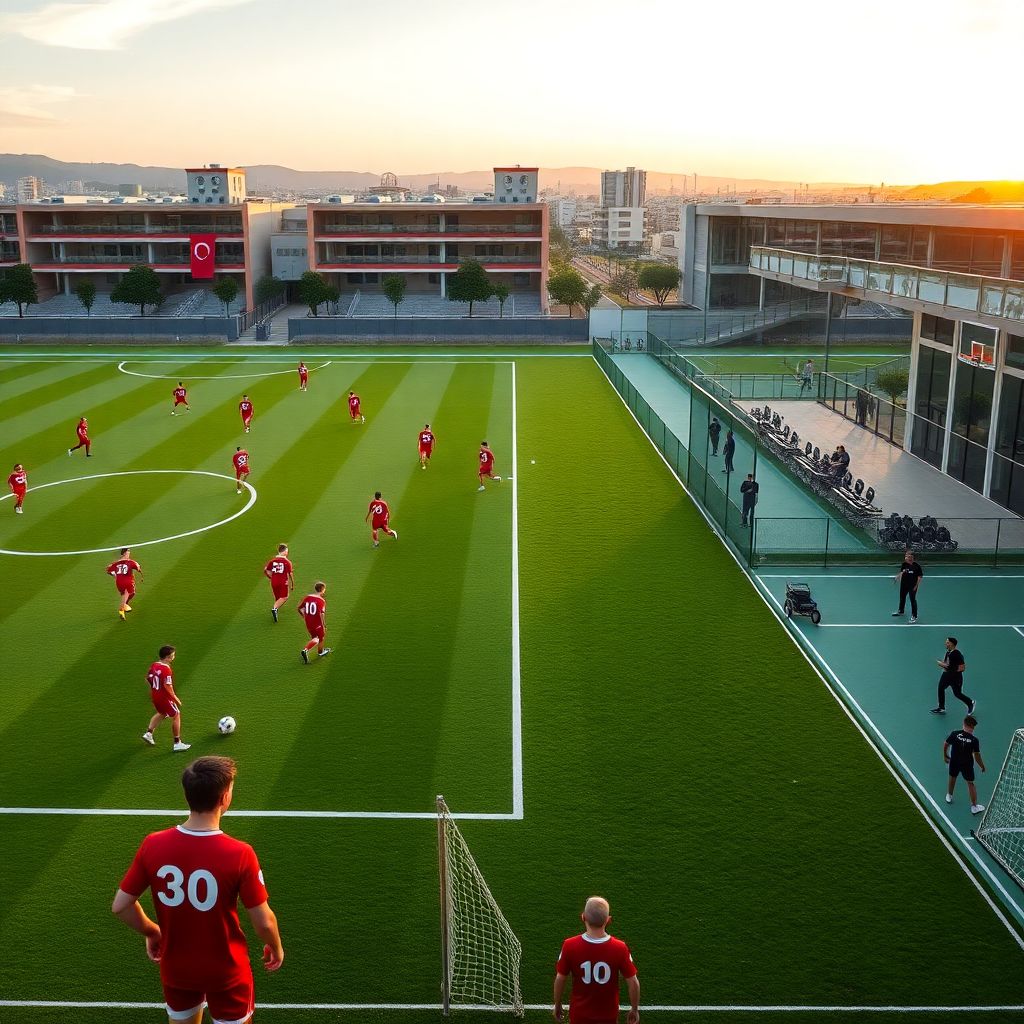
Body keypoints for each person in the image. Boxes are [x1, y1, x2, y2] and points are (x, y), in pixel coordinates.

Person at [111, 756, 284, 1024]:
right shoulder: (240, 854)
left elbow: (121, 906)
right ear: (225, 797)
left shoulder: (153, 844)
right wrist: (276, 946)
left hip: (177, 968)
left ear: (187, 794)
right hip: (227, 971)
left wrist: (152, 931)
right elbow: (263, 921)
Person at [553, 896, 639, 1024]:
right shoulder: (620, 947)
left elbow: (560, 978)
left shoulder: (569, 945)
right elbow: (633, 982)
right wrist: (634, 1009)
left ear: (583, 917)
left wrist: (557, 1004)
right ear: (608, 920)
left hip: (579, 1016)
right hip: (608, 1017)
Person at [141, 645, 191, 752]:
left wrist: (155, 690)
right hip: (164, 697)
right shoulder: (167, 670)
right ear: (168, 657)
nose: (174, 657)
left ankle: (148, 733)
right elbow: (167, 686)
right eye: (173, 655)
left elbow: (148, 678)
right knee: (176, 714)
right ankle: (177, 743)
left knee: (162, 713)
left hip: (155, 695)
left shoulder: (154, 665)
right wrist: (175, 698)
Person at [944, 715, 986, 814]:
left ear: (964, 724)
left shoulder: (955, 734)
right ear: (972, 727)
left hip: (954, 761)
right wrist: (982, 766)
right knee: (970, 783)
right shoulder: (974, 740)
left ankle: (949, 796)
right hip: (967, 765)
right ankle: (974, 807)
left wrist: (945, 755)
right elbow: (977, 756)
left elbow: (946, 744)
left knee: (952, 778)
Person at [931, 636, 975, 716]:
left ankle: (970, 703)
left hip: (955, 678)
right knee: (940, 688)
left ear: (952, 644)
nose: (946, 643)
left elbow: (962, 667)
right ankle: (941, 708)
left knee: (957, 694)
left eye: (947, 642)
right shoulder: (948, 652)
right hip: (946, 675)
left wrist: (945, 666)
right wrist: (943, 665)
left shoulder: (957, 654)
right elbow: (947, 663)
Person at [298, 581, 331, 664]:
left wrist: (304, 617)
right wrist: (323, 625)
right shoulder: (322, 601)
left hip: (308, 622)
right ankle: (316, 651)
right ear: (322, 590)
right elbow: (321, 614)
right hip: (317, 623)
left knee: (314, 637)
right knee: (320, 638)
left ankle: (309, 650)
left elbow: (299, 608)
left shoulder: (307, 597)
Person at [107, 546, 144, 621]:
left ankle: (124, 607)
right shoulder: (131, 562)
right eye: (128, 551)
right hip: (128, 581)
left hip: (119, 582)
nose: (129, 552)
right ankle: (123, 607)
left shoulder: (115, 563)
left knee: (124, 594)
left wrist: (115, 575)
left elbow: (108, 570)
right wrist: (140, 573)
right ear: (124, 553)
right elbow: (138, 567)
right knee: (132, 593)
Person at [264, 543, 295, 623]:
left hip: (274, 581)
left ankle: (276, 609)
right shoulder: (287, 562)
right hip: (283, 581)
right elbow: (290, 574)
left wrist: (271, 577)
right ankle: (274, 609)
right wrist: (292, 584)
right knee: (285, 597)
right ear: (284, 551)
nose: (287, 552)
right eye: (287, 551)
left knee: (277, 597)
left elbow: (266, 570)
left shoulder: (272, 561)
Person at [892, 550, 923, 623]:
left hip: (912, 585)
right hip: (904, 584)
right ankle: (901, 611)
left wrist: (916, 586)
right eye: (906, 556)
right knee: (902, 597)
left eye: (908, 556)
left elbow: (920, 577)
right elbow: (902, 571)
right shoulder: (904, 564)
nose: (906, 557)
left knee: (912, 600)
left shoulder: (917, 566)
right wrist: (897, 577)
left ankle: (914, 616)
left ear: (912, 557)